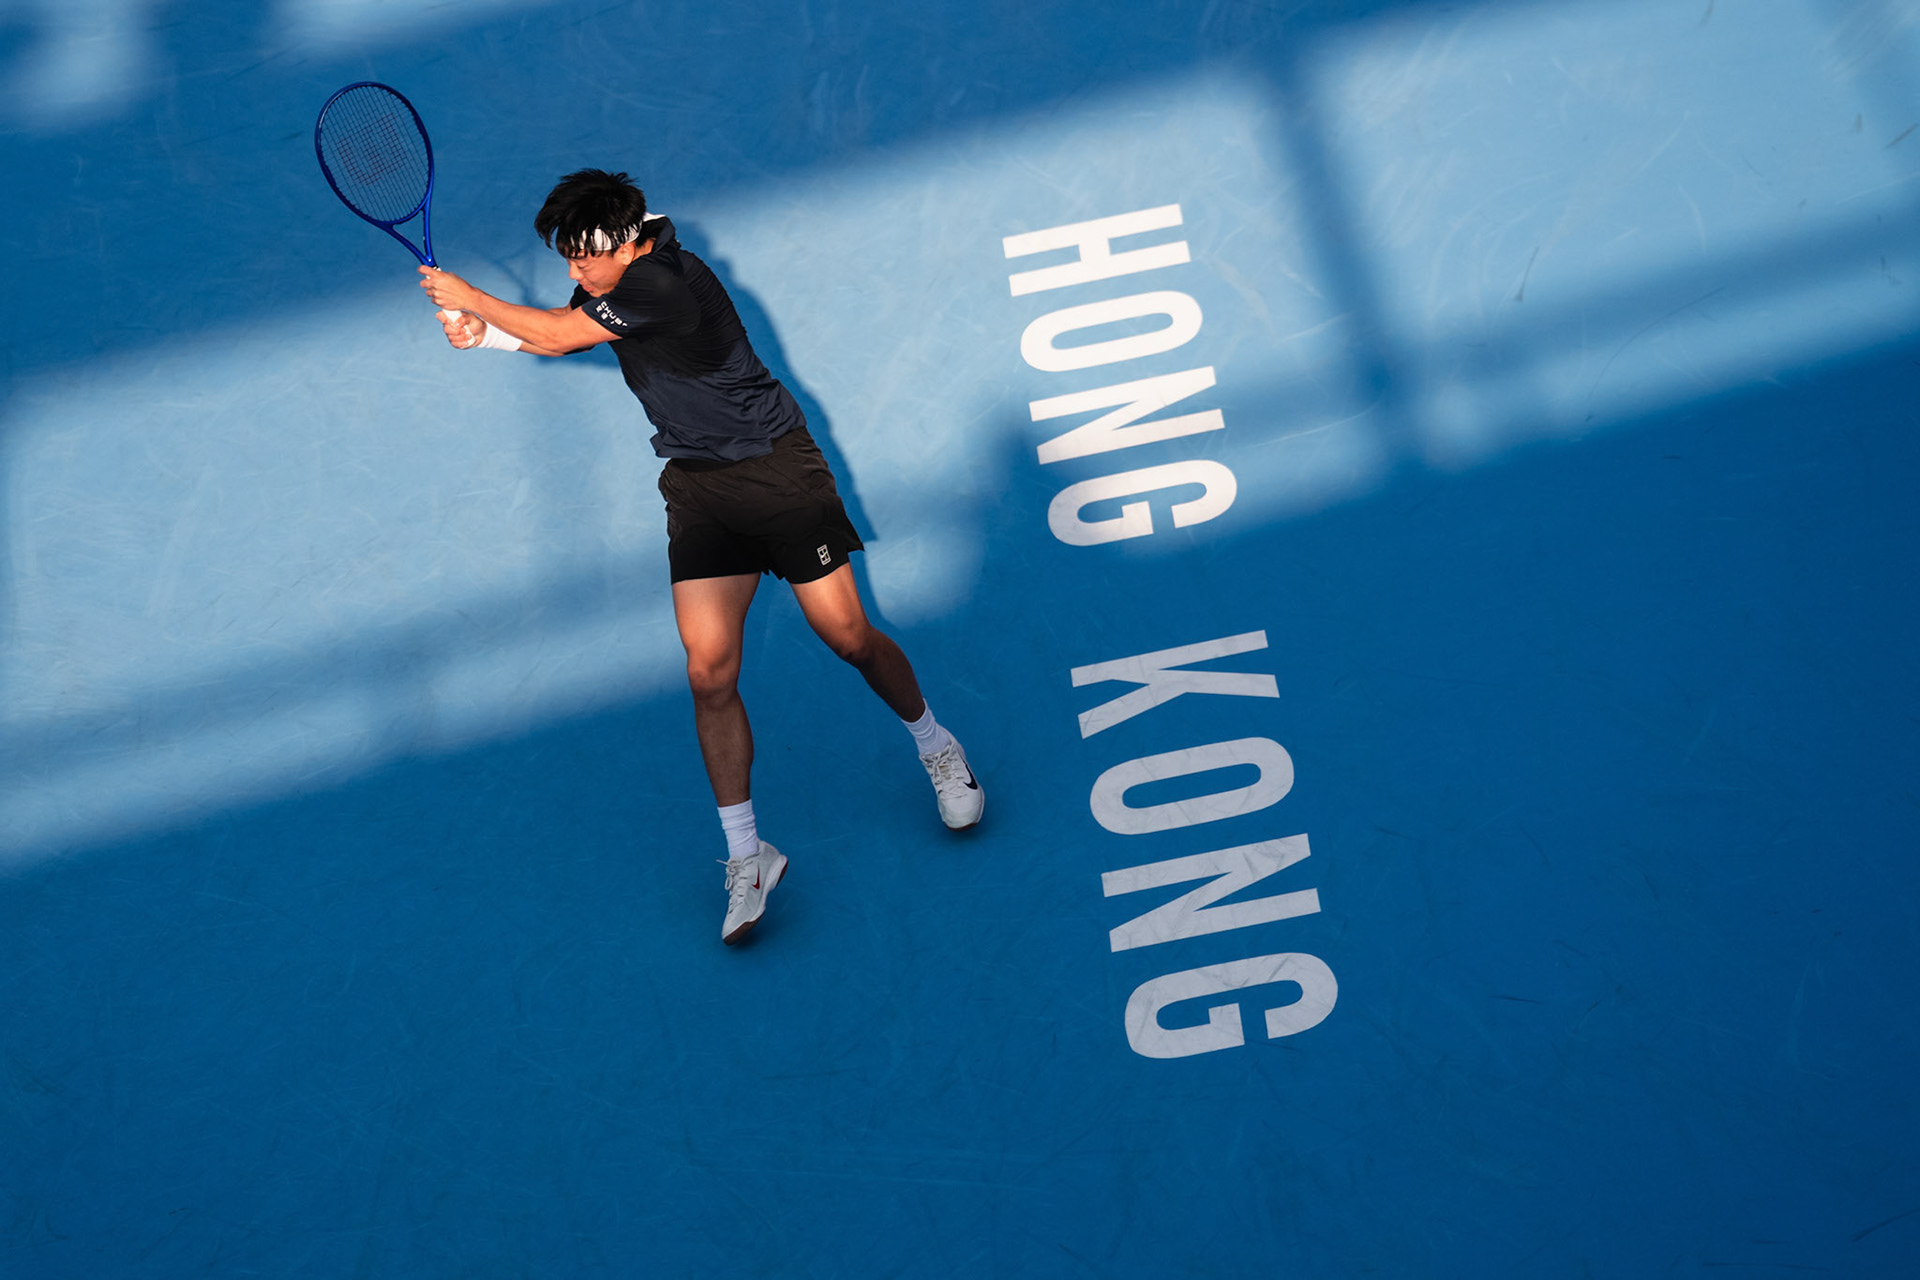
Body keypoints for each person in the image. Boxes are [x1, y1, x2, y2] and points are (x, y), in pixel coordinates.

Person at [418, 168, 982, 946]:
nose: (574, 272)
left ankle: (937, 746)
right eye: (567, 259)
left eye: (582, 258)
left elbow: (559, 333)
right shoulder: (618, 268)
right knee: (708, 670)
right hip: (699, 486)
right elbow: (557, 332)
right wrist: (484, 337)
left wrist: (470, 297)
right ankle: (748, 854)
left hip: (778, 473)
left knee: (848, 637)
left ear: (623, 242)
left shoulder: (666, 284)